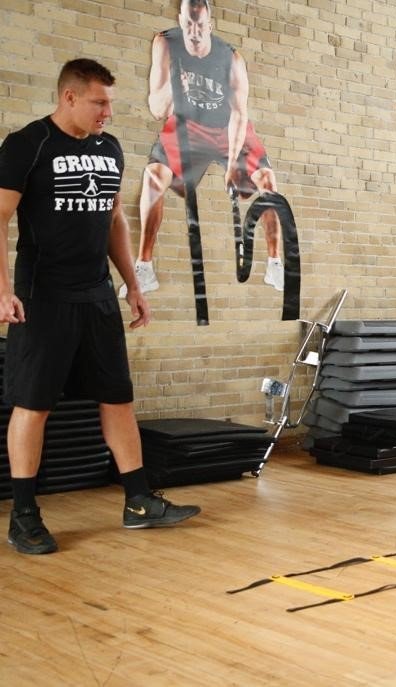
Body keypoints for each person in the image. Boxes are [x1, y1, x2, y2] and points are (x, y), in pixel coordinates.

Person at [0, 58, 201, 555]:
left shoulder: (108, 149)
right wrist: (2, 289)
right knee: (34, 404)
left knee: (117, 397)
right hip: (42, 297)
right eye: (99, 102)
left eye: (109, 102)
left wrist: (132, 284)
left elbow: (114, 220)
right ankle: (23, 514)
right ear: (69, 97)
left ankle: (138, 501)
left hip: (96, 295)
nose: (107, 111)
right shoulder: (28, 145)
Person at [122, 0, 284, 295]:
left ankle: (274, 262)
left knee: (268, 181)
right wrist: (177, 74)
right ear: (180, 20)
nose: (194, 32)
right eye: (188, 24)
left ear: (210, 25)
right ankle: (144, 268)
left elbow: (239, 114)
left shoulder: (231, 58)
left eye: (200, 26)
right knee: (153, 176)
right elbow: (158, 110)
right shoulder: (166, 44)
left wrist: (233, 166)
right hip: (188, 125)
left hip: (228, 127)